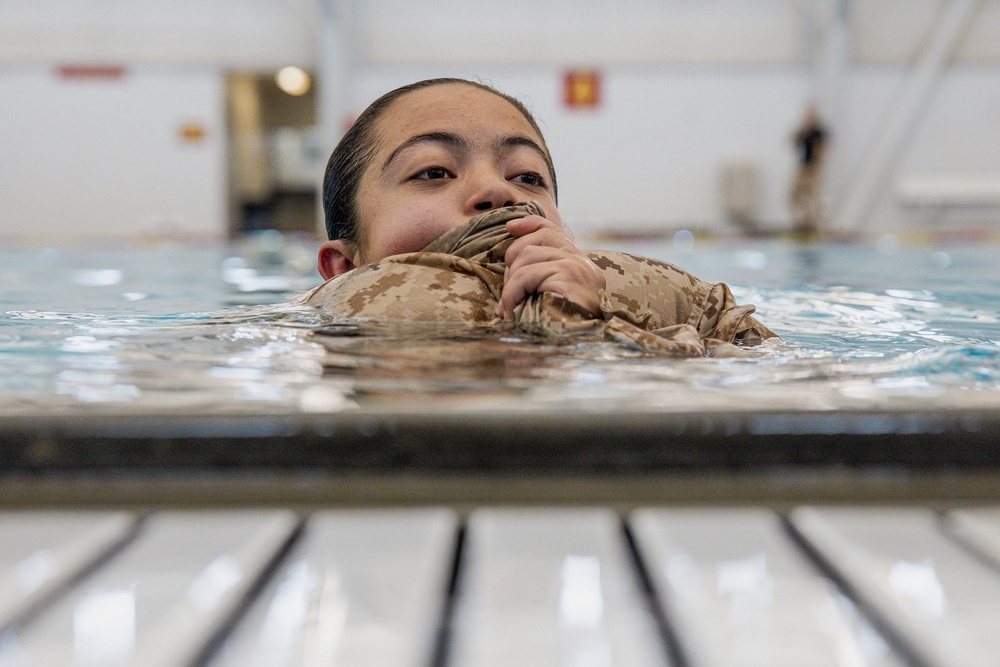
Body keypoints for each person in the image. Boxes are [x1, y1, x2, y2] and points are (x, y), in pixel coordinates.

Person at [302, 78, 777, 356]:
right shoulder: (302, 338)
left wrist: (585, 324)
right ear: (343, 267)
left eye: (527, 177)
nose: (496, 189)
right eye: (434, 171)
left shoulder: (678, 305)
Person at [789, 104, 829, 236]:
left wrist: (816, 170)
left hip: (812, 167)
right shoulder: (804, 131)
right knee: (795, 196)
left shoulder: (819, 132)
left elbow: (822, 151)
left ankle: (814, 226)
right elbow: (794, 142)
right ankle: (803, 223)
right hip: (802, 166)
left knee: (812, 198)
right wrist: (803, 130)